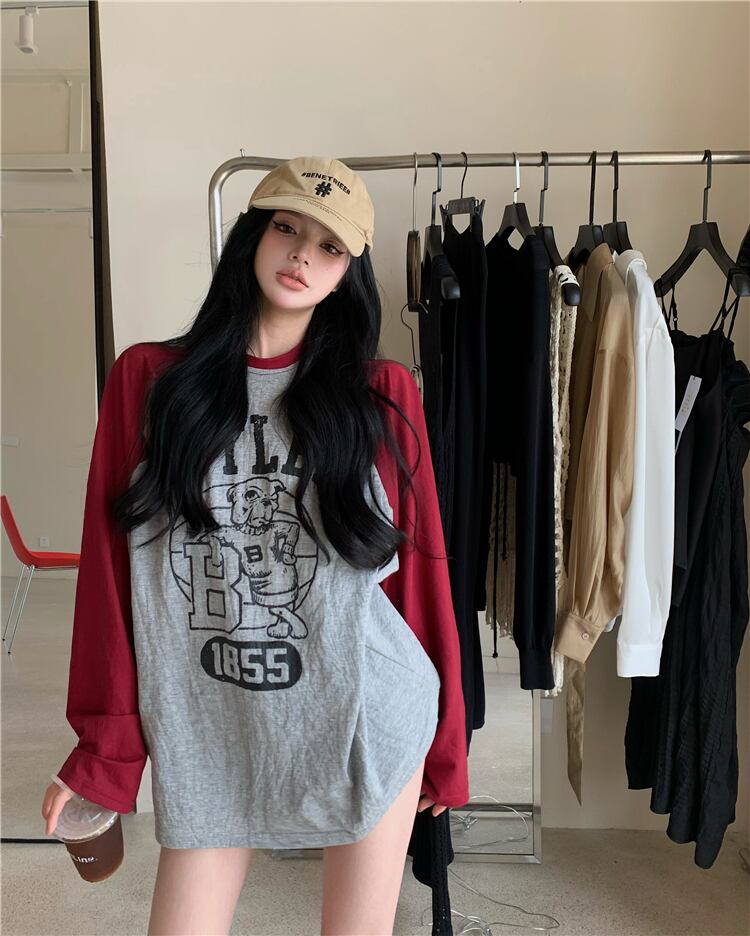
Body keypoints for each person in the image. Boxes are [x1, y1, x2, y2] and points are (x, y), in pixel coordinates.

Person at [41, 156, 469, 935]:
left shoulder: (379, 394)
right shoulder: (149, 383)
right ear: (252, 237)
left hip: (365, 718)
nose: (302, 255)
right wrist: (103, 752)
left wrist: (446, 748)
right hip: (210, 725)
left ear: (347, 274)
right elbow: (110, 577)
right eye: (286, 228)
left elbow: (421, 575)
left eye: (329, 246)